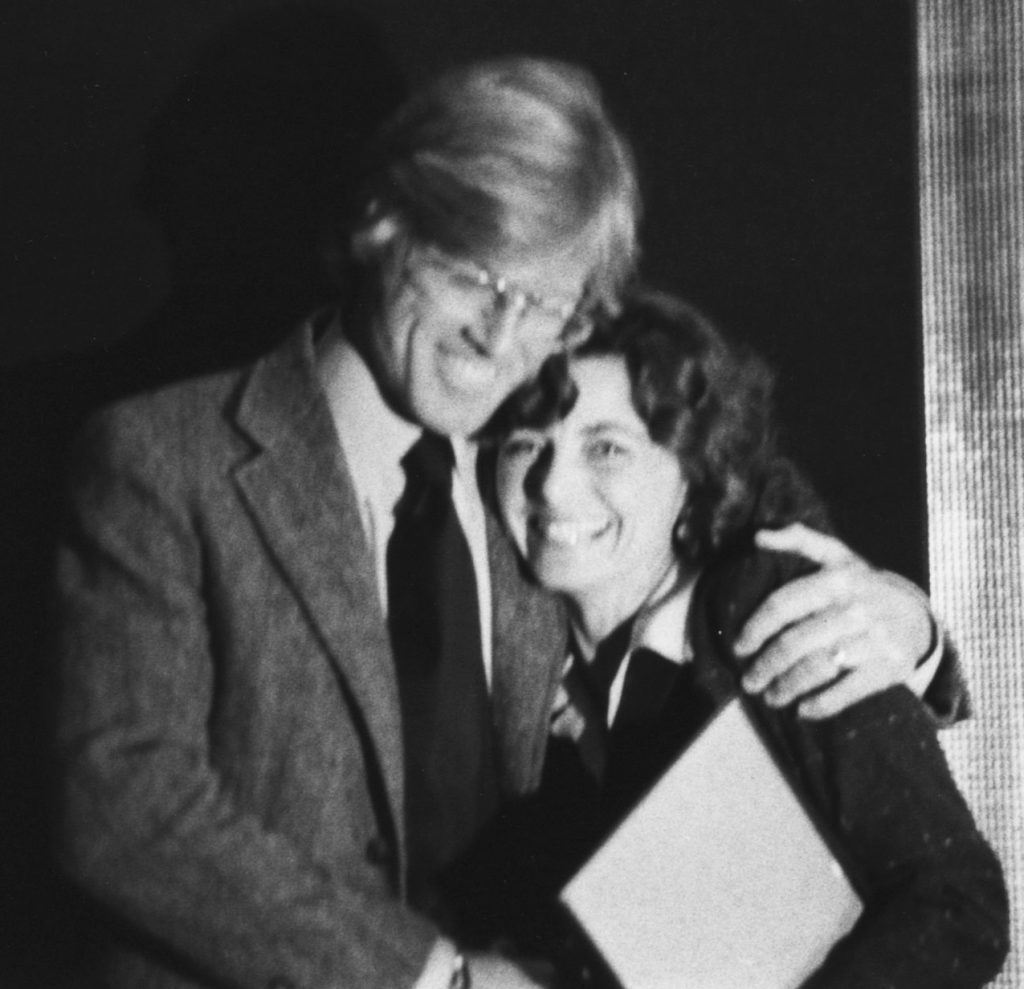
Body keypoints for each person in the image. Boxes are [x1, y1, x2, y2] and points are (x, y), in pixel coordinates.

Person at [53, 57, 956, 989]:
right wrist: (433, 977)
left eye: (545, 305)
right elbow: (119, 799)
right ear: (381, 226)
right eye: (474, 274)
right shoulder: (162, 458)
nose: (500, 335)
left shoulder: (531, 486)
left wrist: (912, 631)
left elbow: (741, 554)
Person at [473, 288, 1008, 987]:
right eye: (526, 442)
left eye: (607, 447)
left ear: (695, 469)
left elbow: (960, 901)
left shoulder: (767, 609)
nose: (554, 484)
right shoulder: (518, 670)